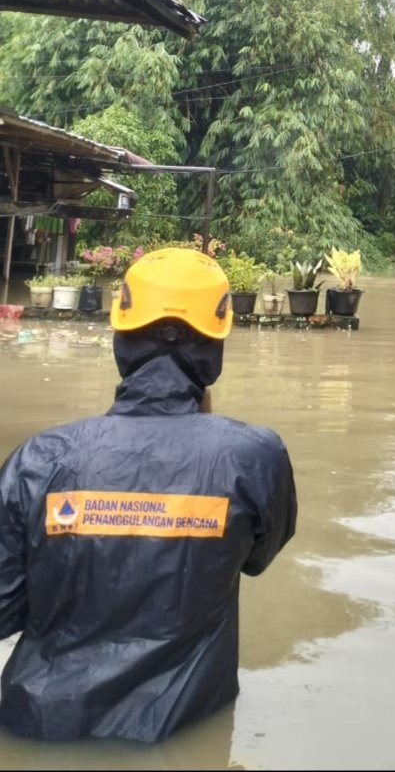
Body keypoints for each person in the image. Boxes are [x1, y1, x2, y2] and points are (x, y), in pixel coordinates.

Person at [0, 247, 297, 743]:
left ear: (121, 339)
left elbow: (4, 608)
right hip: (183, 729)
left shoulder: (39, 459)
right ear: (215, 349)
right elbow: (256, 559)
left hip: (41, 726)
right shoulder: (254, 458)